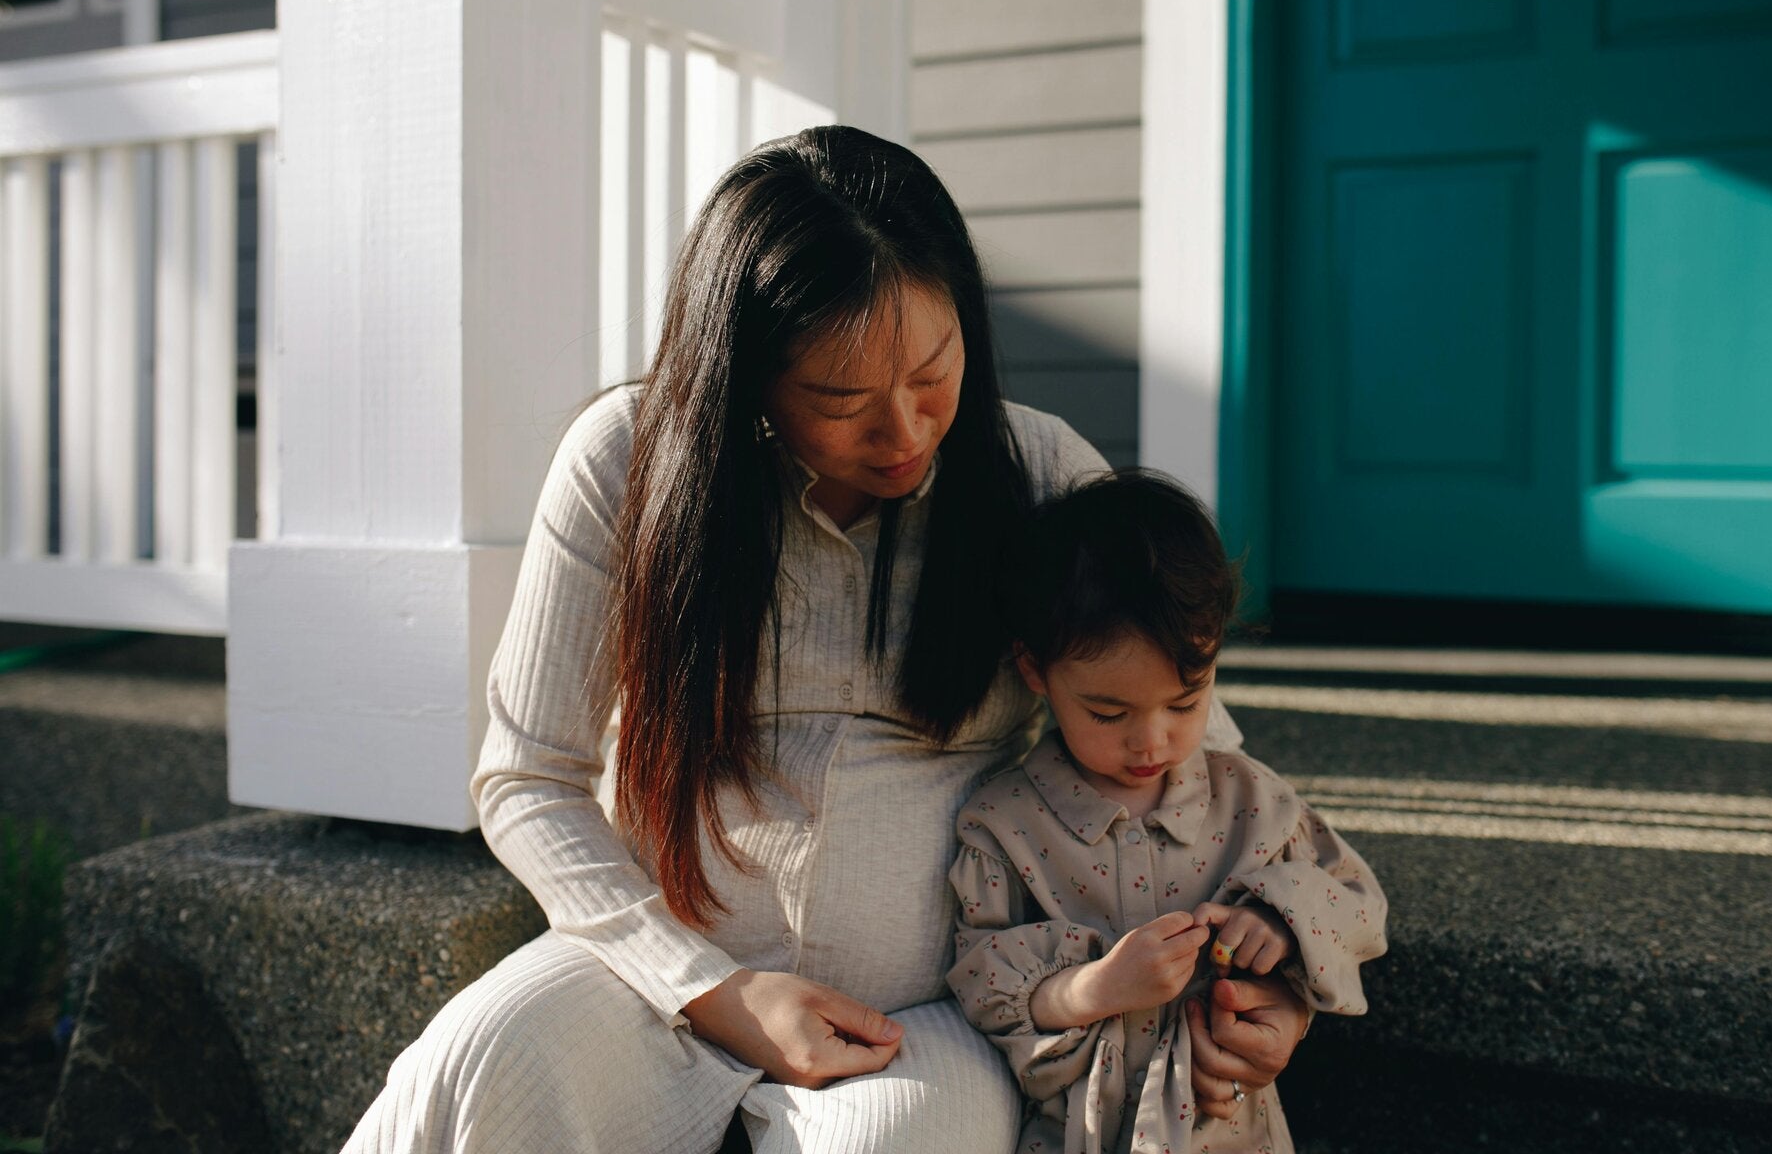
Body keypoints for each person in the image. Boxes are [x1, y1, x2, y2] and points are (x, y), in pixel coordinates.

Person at [342, 126, 1311, 1154]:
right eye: (840, 401)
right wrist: (709, 986)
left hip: (924, 1006)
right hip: (650, 968)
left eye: (934, 371)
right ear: (745, 377)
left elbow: (1203, 765)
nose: (904, 432)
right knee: (476, 1062)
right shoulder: (624, 465)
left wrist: (1261, 987)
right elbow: (527, 777)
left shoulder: (1037, 474)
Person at [948, 470, 1388, 1154]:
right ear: (1034, 671)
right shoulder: (1004, 827)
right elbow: (983, 979)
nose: (1151, 741)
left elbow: (1359, 904)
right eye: (1108, 712)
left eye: (1185, 703)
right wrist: (1095, 989)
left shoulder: (1253, 801)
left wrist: (1277, 916)